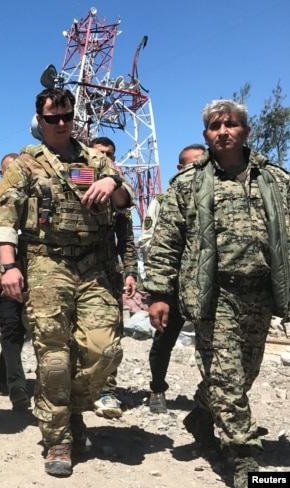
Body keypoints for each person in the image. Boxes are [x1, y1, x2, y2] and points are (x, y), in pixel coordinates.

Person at [143, 99, 290, 488]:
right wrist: (158, 292)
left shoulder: (276, 180)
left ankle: (201, 416)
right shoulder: (189, 183)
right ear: (206, 134)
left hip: (261, 293)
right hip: (214, 294)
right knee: (226, 377)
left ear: (245, 130)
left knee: (244, 374)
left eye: (231, 124)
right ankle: (244, 457)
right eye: (214, 126)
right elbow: (165, 244)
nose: (222, 131)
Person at [0, 88, 133, 477]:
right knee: (54, 357)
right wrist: (8, 267)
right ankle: (58, 438)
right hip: (45, 263)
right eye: (51, 118)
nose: (59, 124)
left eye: (66, 117)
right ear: (40, 120)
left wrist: (113, 185)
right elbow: (4, 217)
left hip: (94, 267)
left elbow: (125, 201)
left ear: (74, 119)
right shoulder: (24, 165)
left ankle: (72, 411)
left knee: (103, 350)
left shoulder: (96, 160)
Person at [140, 143, 205, 414]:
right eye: (191, 165)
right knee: (164, 339)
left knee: (213, 345)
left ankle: (210, 400)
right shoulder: (164, 201)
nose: (197, 170)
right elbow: (147, 239)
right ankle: (157, 389)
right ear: (180, 168)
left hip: (207, 286)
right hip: (174, 284)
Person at [89, 136, 139, 419]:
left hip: (108, 273)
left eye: (109, 154)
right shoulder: (74, 179)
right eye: (99, 153)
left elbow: (127, 237)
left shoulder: (120, 191)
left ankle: (107, 390)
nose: (105, 158)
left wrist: (131, 271)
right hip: (73, 271)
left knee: (111, 334)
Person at [0, 152, 30, 410]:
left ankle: (3, 372)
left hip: (36, 275)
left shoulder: (35, 199)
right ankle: (17, 384)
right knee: (10, 327)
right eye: (7, 170)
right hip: (4, 273)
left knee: (26, 329)